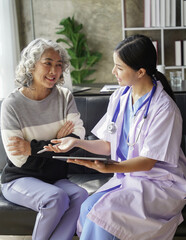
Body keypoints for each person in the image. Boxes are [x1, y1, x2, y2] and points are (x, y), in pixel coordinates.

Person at [44, 34, 186, 240]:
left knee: (103, 214)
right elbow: (108, 145)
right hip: (129, 178)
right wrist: (76, 142)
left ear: (140, 72)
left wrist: (111, 167)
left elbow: (148, 162)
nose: (113, 72)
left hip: (159, 184)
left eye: (119, 68)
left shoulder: (164, 109)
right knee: (87, 208)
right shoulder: (120, 97)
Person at [1, 38, 88, 240]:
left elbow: (78, 138)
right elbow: (19, 159)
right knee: (55, 198)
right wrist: (58, 141)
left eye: (59, 65)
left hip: (55, 177)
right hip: (19, 178)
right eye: (47, 63)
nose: (54, 71)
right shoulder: (11, 105)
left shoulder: (65, 97)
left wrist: (32, 147)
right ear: (31, 66)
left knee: (80, 196)